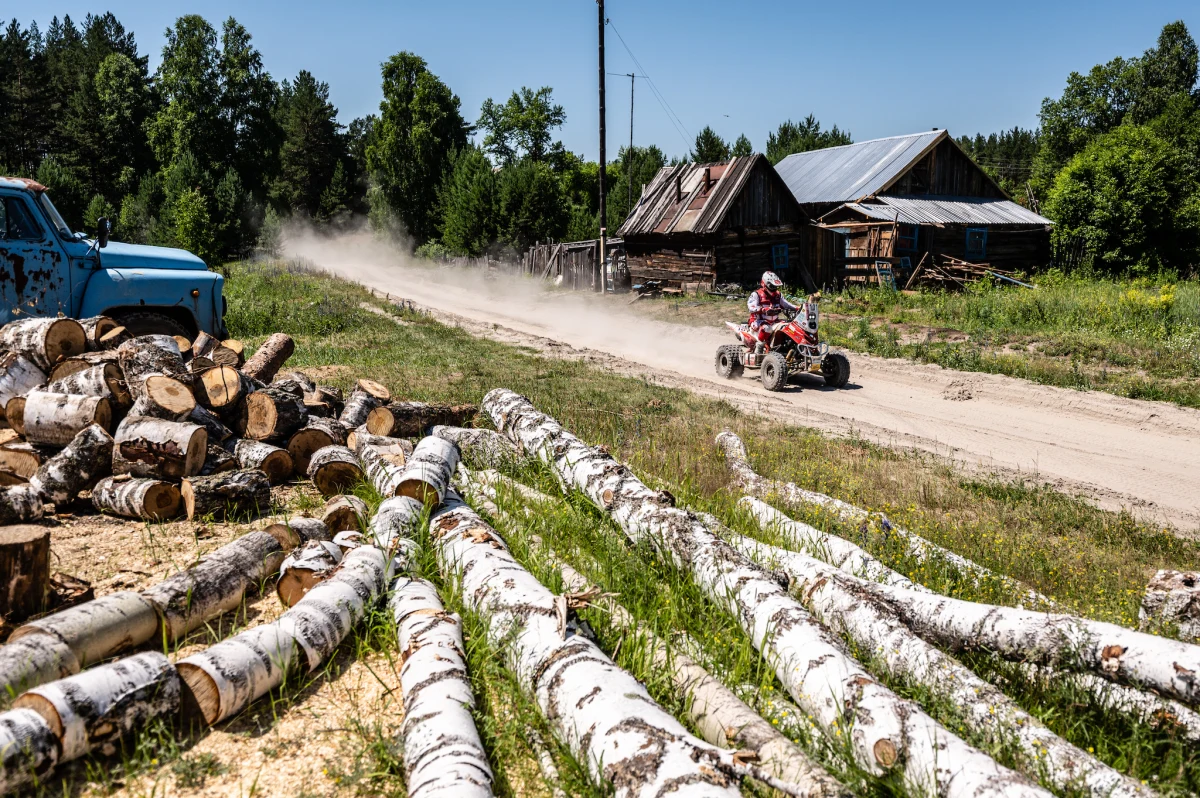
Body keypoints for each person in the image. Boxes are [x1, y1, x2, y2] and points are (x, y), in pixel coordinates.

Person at [747, 271, 797, 352]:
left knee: (788, 326)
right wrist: (762, 310)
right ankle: (759, 347)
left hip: (774, 321)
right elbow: (751, 307)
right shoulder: (756, 294)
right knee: (767, 328)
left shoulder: (778, 295)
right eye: (772, 286)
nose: (774, 288)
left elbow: (786, 304)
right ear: (764, 284)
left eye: (775, 286)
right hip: (758, 322)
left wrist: (798, 308)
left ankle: (780, 348)